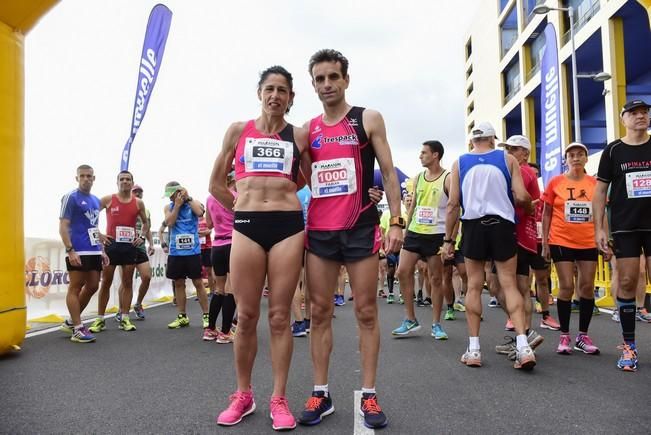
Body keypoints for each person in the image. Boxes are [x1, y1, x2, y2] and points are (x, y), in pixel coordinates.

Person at [298, 49, 403, 430]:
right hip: (321, 233)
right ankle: (320, 392)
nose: (327, 84)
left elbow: (389, 173)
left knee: (366, 312)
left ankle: (369, 394)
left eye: (333, 77)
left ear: (346, 79)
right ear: (312, 85)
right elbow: (298, 177)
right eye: (320, 79)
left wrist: (397, 222)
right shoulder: (306, 130)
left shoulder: (367, 119)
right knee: (319, 312)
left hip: (361, 227)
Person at [209, 65, 307, 431]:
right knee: (246, 316)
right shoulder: (238, 131)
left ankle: (279, 398)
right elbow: (216, 182)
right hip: (247, 227)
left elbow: (311, 182)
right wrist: (243, 204)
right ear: (259, 93)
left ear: (291, 98)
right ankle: (243, 395)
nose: (276, 96)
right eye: (270, 88)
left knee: (280, 316)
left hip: (287, 227)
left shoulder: (299, 136)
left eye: (283, 90)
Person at [443, 122, 535, 370]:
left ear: (473, 140)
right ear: (493, 139)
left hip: (473, 226)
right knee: (509, 283)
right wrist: (529, 208)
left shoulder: (459, 163)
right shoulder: (508, 160)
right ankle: (523, 346)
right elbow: (521, 196)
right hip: (503, 226)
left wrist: (448, 241)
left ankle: (474, 350)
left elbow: (452, 205)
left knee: (473, 286)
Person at [594, 99, 651, 371]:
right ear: (623, 119)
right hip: (625, 226)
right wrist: (600, 229)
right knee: (627, 281)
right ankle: (629, 346)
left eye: (644, 112)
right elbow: (599, 193)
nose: (641, 116)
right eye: (634, 113)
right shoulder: (613, 151)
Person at [542, 142, 601, 355]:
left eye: (580, 155)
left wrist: (604, 236)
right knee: (566, 286)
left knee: (586, 286)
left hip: (587, 240)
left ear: (586, 159)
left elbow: (602, 211)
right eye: (572, 155)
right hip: (561, 239)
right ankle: (564, 335)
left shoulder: (595, 183)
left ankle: (583, 336)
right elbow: (546, 212)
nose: (576, 158)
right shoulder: (555, 182)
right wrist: (546, 242)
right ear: (565, 160)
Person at [391, 140, 453, 340]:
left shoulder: (448, 178)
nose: (420, 156)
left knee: (436, 279)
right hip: (415, 232)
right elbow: (413, 207)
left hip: (436, 234)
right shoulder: (417, 178)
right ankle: (410, 319)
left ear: (435, 155)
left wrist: (449, 240)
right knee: (402, 271)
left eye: (424, 152)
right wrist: (405, 230)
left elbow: (455, 208)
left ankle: (436, 324)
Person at [491, 135, 545, 359]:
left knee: (498, 287)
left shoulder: (521, 171)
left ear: (525, 153)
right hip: (524, 235)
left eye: (513, 149)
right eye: (507, 149)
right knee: (519, 287)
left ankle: (526, 334)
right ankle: (524, 337)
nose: (509, 153)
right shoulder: (525, 171)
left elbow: (514, 199)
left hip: (515, 234)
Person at [89, 171, 148, 333]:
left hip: (129, 247)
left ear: (132, 182)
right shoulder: (108, 199)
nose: (125, 182)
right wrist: (99, 234)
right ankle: (100, 319)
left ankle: (125, 317)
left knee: (127, 282)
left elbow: (145, 222)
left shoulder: (138, 203)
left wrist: (142, 237)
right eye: (122, 179)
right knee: (106, 282)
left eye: (128, 179)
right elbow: (91, 216)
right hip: (111, 246)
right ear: (117, 182)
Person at [58, 164, 108, 342]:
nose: (86, 179)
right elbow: (63, 225)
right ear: (77, 178)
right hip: (77, 249)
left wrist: (101, 250)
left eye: (89, 176)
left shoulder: (95, 200)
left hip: (93, 250)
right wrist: (70, 250)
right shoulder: (70, 197)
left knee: (93, 285)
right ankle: (78, 329)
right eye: (82, 176)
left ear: (94, 178)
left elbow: (93, 227)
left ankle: (72, 321)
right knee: (75, 287)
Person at [163, 182, 210, 331]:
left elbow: (200, 212)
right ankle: (182, 316)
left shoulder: (193, 203)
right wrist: (176, 205)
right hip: (176, 251)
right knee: (178, 283)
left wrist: (187, 198)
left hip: (193, 251)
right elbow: (169, 223)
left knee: (198, 282)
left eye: (172, 195)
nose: (170, 198)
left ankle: (207, 316)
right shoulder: (168, 207)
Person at [204, 172, 237, 344]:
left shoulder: (210, 198)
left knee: (219, 288)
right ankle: (225, 332)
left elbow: (209, 224)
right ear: (233, 179)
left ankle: (210, 330)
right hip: (233, 244)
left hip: (216, 246)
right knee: (231, 288)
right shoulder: (237, 197)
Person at [129, 184, 155, 320]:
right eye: (135, 192)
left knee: (146, 277)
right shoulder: (125, 207)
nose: (138, 194)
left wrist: (151, 244)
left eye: (140, 192)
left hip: (140, 247)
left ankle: (138, 304)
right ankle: (123, 310)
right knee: (126, 281)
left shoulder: (146, 210)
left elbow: (147, 228)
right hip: (126, 247)